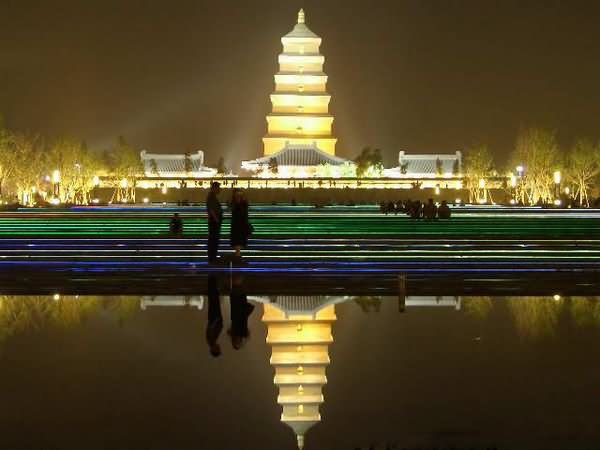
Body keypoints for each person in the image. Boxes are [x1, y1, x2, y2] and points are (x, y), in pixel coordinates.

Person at [228, 274, 254, 350]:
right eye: (239, 343)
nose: (238, 341)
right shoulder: (238, 332)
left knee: (238, 289)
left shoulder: (240, 332)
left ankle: (240, 272)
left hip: (238, 308)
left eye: (237, 343)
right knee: (238, 289)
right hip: (238, 308)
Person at [229, 189, 251, 259]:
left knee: (238, 241)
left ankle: (238, 254)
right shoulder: (239, 204)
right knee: (238, 241)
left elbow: (243, 214)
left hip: (239, 225)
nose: (238, 197)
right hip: (238, 225)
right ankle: (237, 254)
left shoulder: (241, 204)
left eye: (239, 196)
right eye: (237, 196)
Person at [206, 274, 223, 357]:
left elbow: (210, 327)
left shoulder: (211, 340)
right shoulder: (212, 340)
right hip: (215, 317)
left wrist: (216, 320)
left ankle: (212, 279)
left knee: (213, 298)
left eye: (218, 349)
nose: (219, 347)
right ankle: (212, 280)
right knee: (213, 298)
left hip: (214, 316)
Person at [206, 181, 222, 263]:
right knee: (213, 240)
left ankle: (212, 257)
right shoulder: (211, 197)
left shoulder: (212, 196)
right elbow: (211, 210)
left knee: (213, 240)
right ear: (214, 188)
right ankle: (212, 257)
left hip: (214, 222)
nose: (220, 189)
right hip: (214, 223)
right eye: (218, 187)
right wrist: (216, 219)